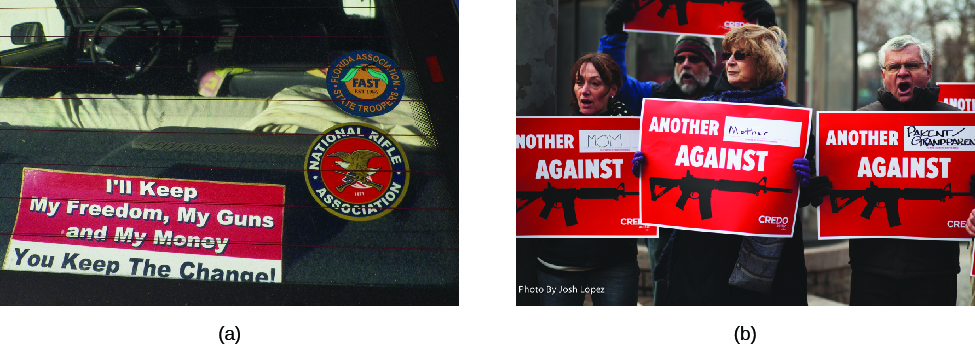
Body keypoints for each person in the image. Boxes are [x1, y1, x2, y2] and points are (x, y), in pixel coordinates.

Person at [633, 24, 831, 305]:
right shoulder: (701, 110)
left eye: (741, 55)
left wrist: (807, 183)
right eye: (728, 55)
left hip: (761, 262)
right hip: (701, 259)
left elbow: (799, 198)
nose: (729, 61)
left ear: (763, 63)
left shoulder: (793, 118)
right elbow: (679, 166)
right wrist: (650, 165)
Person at [851, 35, 964, 306]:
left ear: (928, 71)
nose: (902, 73)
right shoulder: (858, 122)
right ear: (883, 74)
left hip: (934, 273)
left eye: (912, 65)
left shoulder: (957, 124)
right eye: (893, 67)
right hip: (871, 272)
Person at [536, 53, 640, 306]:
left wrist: (645, 169)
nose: (584, 91)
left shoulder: (634, 136)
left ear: (612, 89)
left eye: (595, 83)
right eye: (579, 82)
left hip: (614, 262)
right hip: (558, 265)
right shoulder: (554, 138)